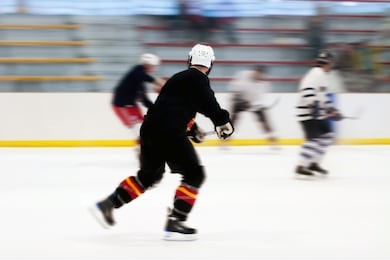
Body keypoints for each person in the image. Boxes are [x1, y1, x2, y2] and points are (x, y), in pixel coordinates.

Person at [90, 44, 234, 241]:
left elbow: (173, 108)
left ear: (190, 59)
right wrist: (222, 121)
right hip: (169, 132)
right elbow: (208, 103)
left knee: (148, 177)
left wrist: (192, 130)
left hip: (150, 129)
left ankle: (108, 204)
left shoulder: (177, 78)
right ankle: (176, 220)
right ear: (211, 64)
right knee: (194, 174)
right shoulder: (199, 79)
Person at [295, 50, 342, 177]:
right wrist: (313, 105)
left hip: (316, 114)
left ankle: (313, 163)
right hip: (308, 114)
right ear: (328, 63)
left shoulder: (321, 75)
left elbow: (321, 96)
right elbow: (307, 90)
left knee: (327, 136)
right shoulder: (316, 74)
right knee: (313, 140)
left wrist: (331, 108)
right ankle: (301, 165)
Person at [111, 53, 165, 152]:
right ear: (148, 65)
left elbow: (144, 99)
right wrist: (165, 84)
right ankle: (141, 149)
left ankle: (142, 147)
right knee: (136, 128)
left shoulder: (139, 78)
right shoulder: (137, 72)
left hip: (132, 105)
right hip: (121, 105)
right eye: (154, 66)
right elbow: (148, 78)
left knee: (145, 126)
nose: (155, 68)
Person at [228, 65, 278, 146]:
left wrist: (256, 105)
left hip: (254, 103)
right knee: (232, 121)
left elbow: (261, 99)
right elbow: (235, 90)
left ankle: (272, 140)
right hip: (240, 101)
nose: (259, 76)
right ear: (255, 72)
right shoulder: (243, 75)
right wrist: (241, 100)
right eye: (258, 73)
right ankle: (226, 139)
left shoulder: (264, 84)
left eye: (261, 75)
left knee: (264, 120)